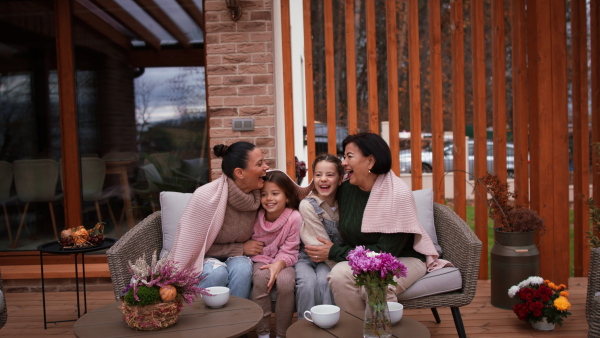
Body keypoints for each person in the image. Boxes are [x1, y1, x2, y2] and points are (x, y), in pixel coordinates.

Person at [305, 132, 451, 313]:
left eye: (349, 156)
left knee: (374, 283)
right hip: (360, 257)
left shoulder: (398, 195)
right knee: (338, 276)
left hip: (401, 258)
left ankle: (380, 331)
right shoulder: (347, 188)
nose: (343, 163)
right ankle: (354, 329)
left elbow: (386, 253)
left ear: (370, 162)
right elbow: (317, 193)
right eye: (344, 157)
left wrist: (335, 252)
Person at [169, 141, 269, 299]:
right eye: (260, 163)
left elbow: (291, 195)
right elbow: (194, 248)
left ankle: (237, 321)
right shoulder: (206, 197)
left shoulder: (261, 194)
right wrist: (239, 248)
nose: (266, 167)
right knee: (217, 273)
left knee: (243, 270)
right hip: (204, 258)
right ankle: (204, 321)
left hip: (238, 258)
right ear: (240, 173)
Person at [250, 170, 303, 338]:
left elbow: (291, 248)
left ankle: (282, 333)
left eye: (275, 193)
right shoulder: (256, 217)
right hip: (261, 259)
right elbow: (254, 246)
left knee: (286, 281)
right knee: (260, 279)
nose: (269, 199)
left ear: (287, 196)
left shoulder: (294, 217)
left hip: (285, 260)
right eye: (264, 194)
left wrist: (279, 264)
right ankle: (263, 333)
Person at [295, 154, 344, 319]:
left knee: (325, 280)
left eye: (330, 175)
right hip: (308, 257)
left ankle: (327, 325)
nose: (323, 179)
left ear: (340, 178)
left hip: (330, 258)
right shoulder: (308, 205)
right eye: (318, 175)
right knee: (307, 284)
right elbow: (318, 245)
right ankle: (305, 328)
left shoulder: (344, 203)